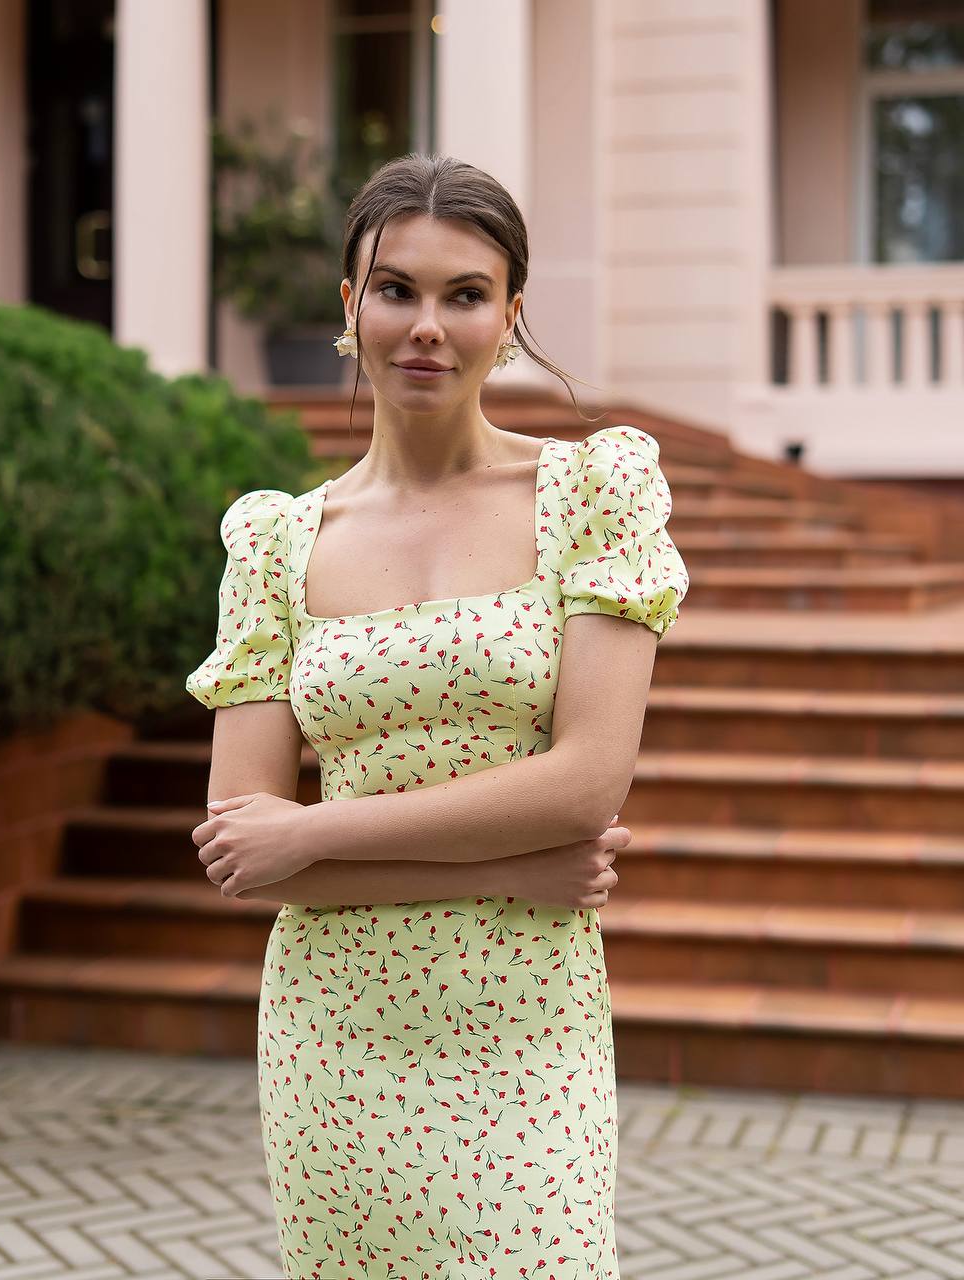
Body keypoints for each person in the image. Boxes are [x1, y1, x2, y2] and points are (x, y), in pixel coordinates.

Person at [186, 153, 689, 1280]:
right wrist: (505, 865)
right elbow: (244, 851)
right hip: (335, 1035)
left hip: (523, 1019)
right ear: (349, 307)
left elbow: (584, 783)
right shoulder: (274, 539)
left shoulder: (591, 494)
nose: (426, 324)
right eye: (395, 288)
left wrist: (312, 828)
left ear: (509, 317)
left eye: (464, 294)